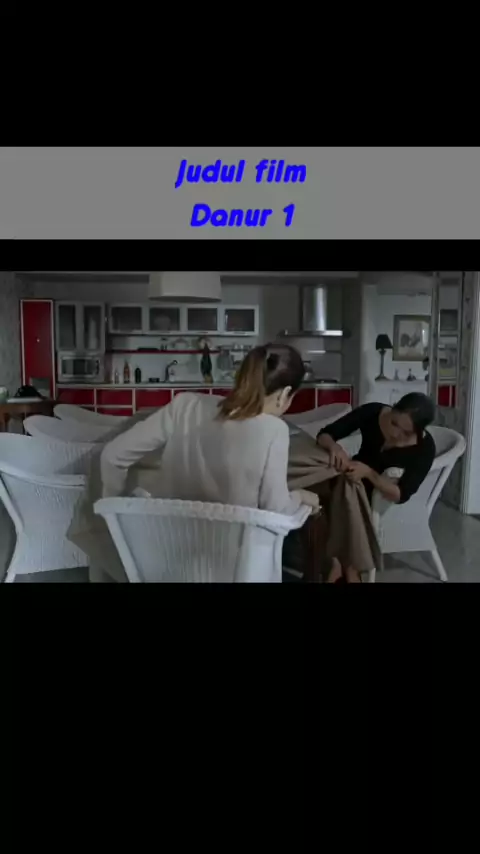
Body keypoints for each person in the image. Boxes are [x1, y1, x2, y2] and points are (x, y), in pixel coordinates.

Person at [100, 343, 320, 518]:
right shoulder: (274, 430)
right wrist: (301, 496)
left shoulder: (186, 404)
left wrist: (116, 516)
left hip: (169, 554)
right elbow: (276, 509)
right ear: (284, 394)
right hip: (236, 558)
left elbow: (112, 455)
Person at [316, 392, 436, 507]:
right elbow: (325, 434)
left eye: (406, 433)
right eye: (394, 423)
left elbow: (401, 495)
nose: (395, 434)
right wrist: (334, 447)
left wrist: (369, 473)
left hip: (369, 498)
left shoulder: (425, 448)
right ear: (393, 408)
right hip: (348, 475)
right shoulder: (372, 412)